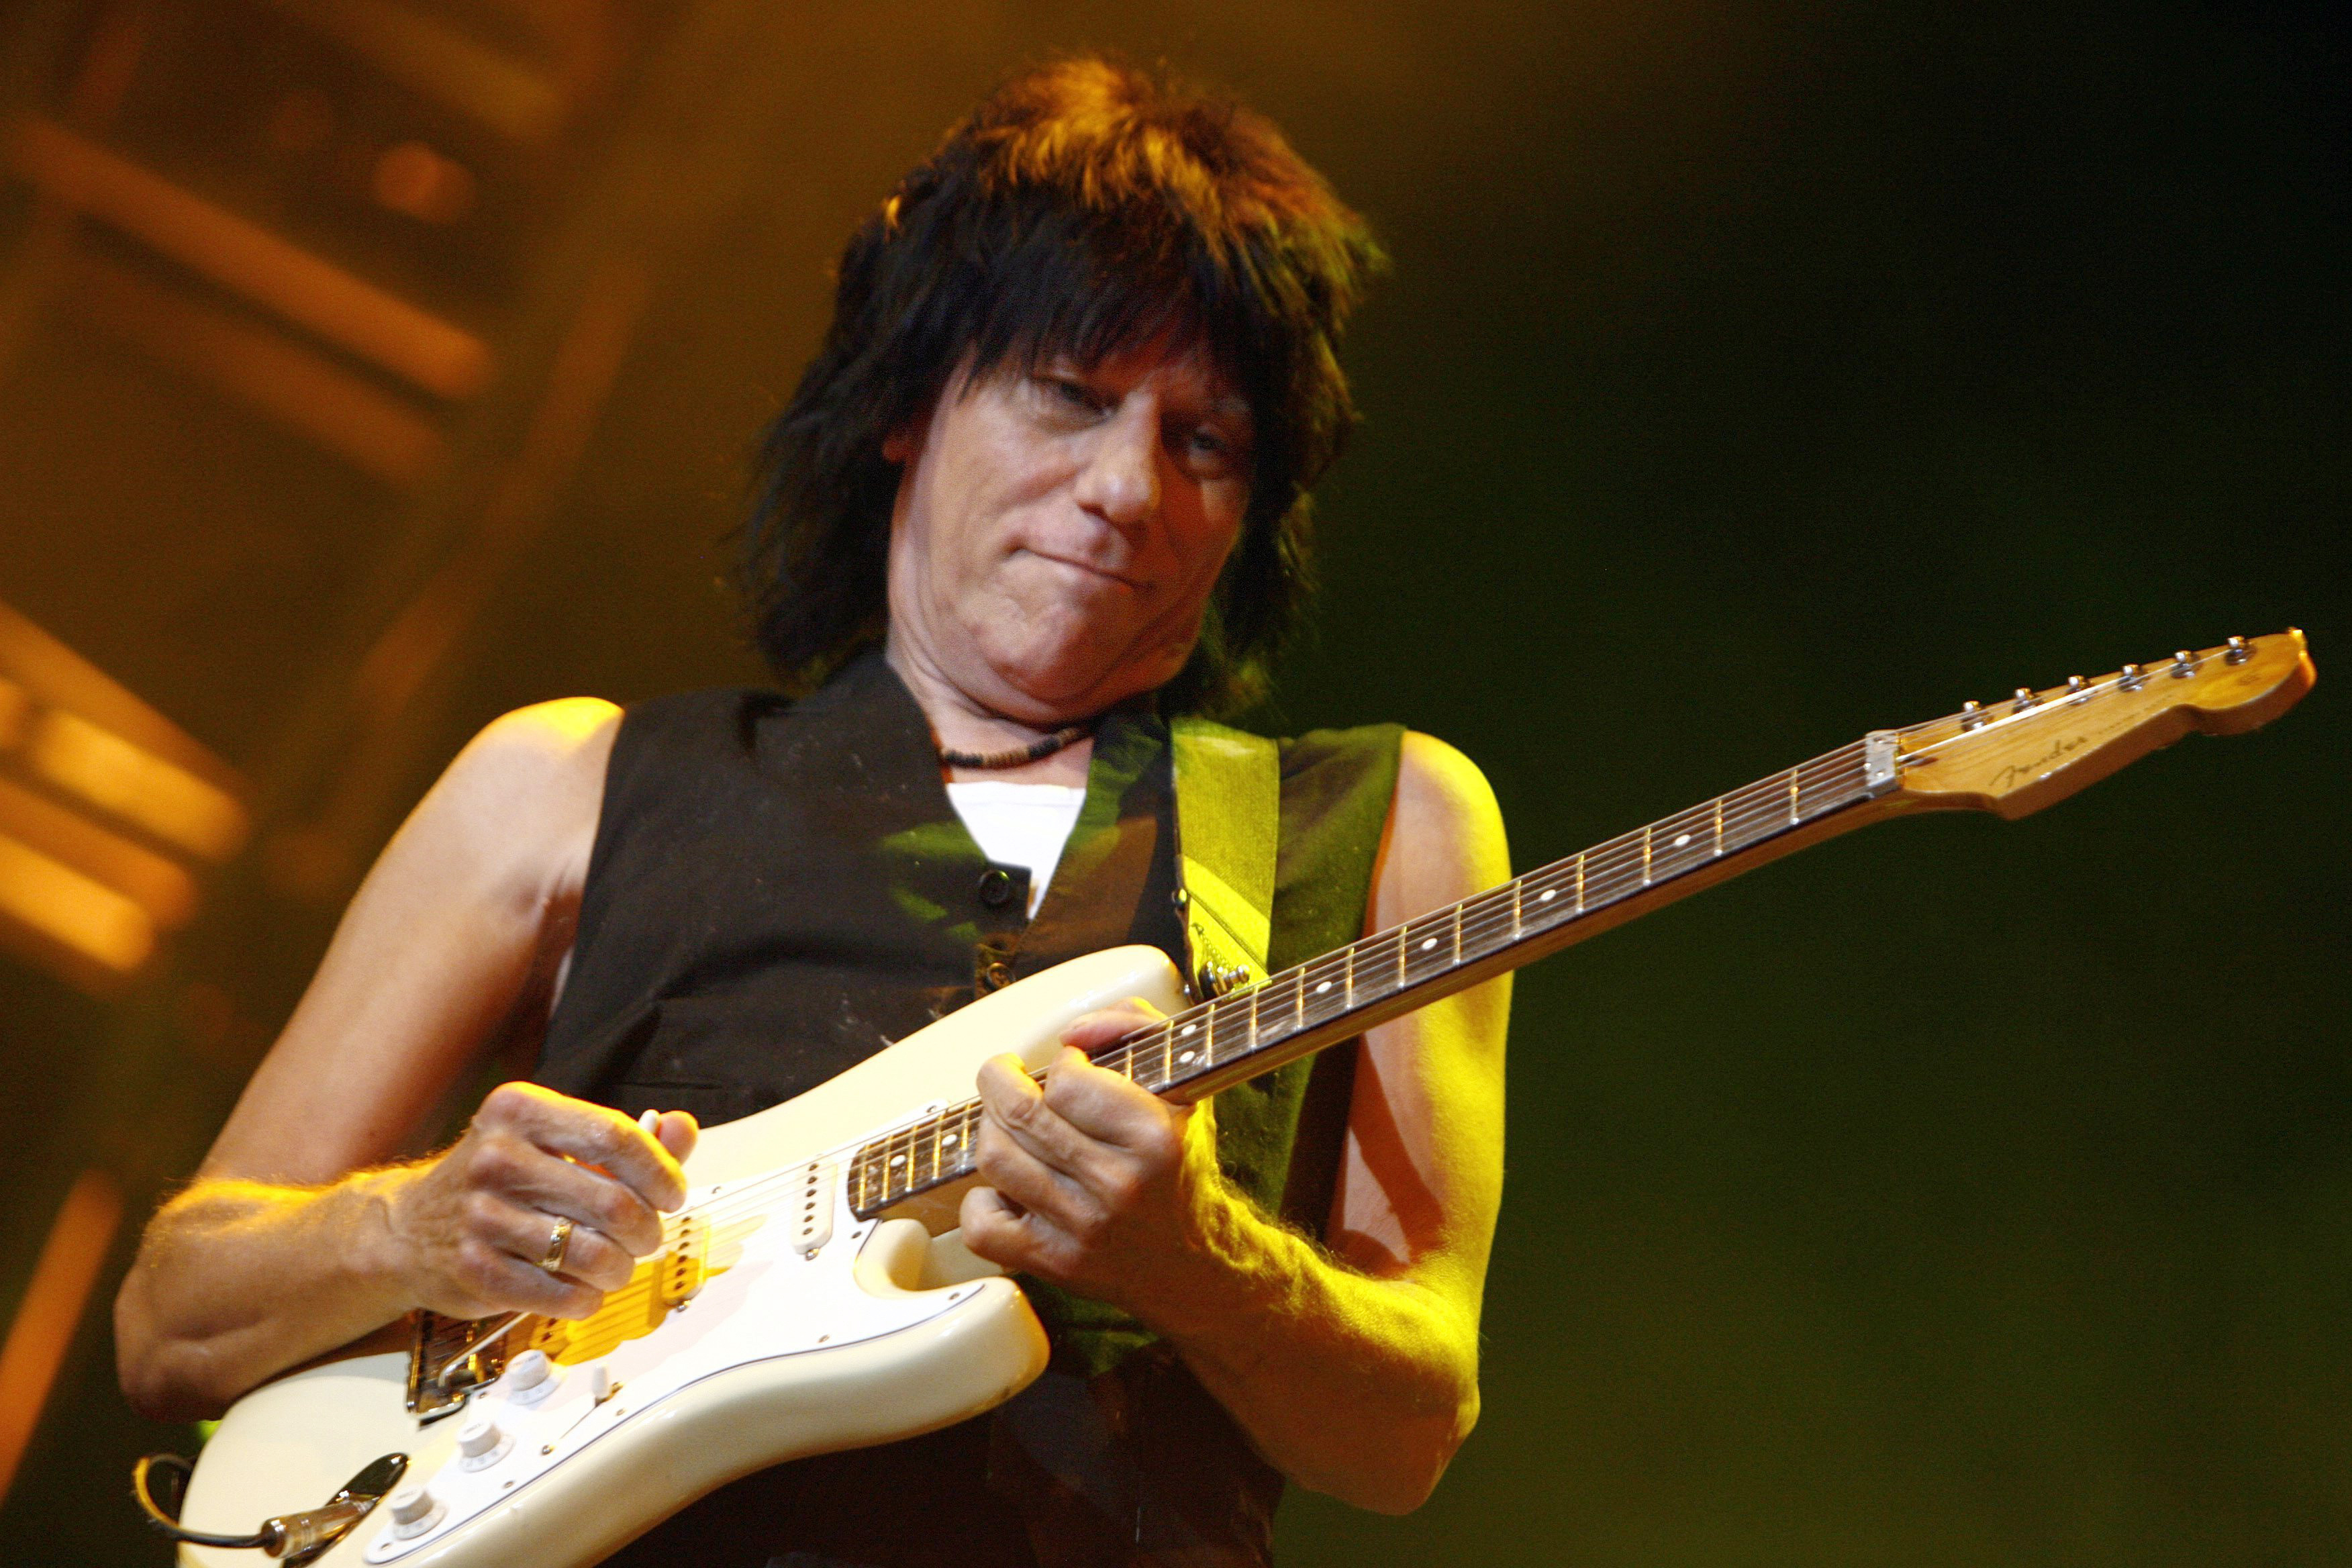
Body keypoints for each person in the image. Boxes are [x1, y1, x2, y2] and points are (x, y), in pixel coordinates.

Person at [113, 57, 1510, 1568]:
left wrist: (1204, 1259)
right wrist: (416, 1226)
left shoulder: (1381, 824)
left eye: (1204, 441)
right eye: (1070, 395)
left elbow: (1406, 1430)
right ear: (910, 401)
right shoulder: (563, 785)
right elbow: (171, 1319)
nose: (1128, 488)